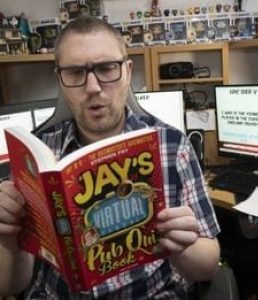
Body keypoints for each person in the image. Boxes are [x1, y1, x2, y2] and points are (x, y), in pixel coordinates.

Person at [0, 16, 220, 299]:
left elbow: (209, 267)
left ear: (128, 72)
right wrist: (8, 239)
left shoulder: (173, 145)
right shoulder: (36, 155)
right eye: (76, 73)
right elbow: (9, 286)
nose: (93, 86)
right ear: (60, 80)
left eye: (106, 68)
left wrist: (181, 246)